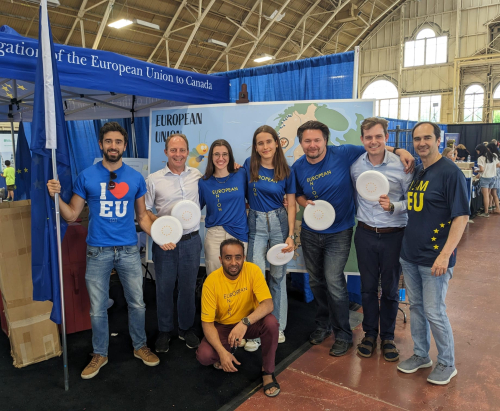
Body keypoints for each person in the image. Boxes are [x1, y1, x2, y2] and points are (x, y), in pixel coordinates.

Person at [292, 120, 414, 357]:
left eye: (317, 140)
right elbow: (297, 194)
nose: (313, 145)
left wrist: (400, 150)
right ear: (301, 143)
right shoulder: (298, 167)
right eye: (307, 140)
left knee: (334, 282)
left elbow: (376, 146)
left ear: (326, 140)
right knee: (317, 282)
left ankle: (344, 334)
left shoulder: (345, 153)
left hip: (340, 232)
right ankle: (323, 325)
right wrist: (304, 203)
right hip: (310, 231)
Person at [46, 122, 159, 379]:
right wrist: (57, 196)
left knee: (138, 304)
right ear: (101, 144)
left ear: (124, 146)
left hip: (129, 250)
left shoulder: (134, 177)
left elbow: (142, 218)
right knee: (97, 308)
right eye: (108, 141)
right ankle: (100, 353)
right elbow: (72, 214)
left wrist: (161, 237)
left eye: (118, 142)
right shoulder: (86, 175)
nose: (113, 146)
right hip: (97, 251)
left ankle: (140, 346)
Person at [397, 121, 469, 385]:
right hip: (410, 254)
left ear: (439, 140)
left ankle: (447, 363)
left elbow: (461, 217)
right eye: (417, 139)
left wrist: (445, 254)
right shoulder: (418, 171)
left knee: (434, 311)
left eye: (427, 137)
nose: (421, 143)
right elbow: (415, 207)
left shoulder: (450, 173)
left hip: (435, 259)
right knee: (416, 307)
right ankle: (420, 355)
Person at [350, 117, 413, 362]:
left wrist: (394, 206)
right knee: (367, 289)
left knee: (389, 289)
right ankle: (368, 335)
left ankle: (387, 337)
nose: (373, 141)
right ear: (362, 139)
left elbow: (414, 203)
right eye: (368, 137)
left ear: (387, 137)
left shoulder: (403, 166)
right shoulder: (356, 166)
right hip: (365, 233)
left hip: (394, 235)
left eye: (378, 136)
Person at [196, 238, 280, 397]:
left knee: (271, 322)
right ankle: (227, 351)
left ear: (244, 258)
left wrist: (244, 323)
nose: (233, 262)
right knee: (205, 356)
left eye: (238, 257)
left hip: (249, 322)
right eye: (228, 258)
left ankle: (267, 372)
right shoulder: (211, 282)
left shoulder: (253, 270)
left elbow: (268, 304)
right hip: (224, 326)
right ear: (220, 259)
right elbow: (207, 324)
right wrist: (221, 352)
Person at [146, 133, 203, 353]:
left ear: (188, 151)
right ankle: (164, 331)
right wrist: (159, 229)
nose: (177, 154)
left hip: (191, 241)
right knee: (164, 288)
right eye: (173, 150)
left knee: (188, 288)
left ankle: (186, 328)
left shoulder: (197, 175)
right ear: (166, 152)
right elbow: (146, 210)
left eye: (181, 150)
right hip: (165, 243)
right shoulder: (154, 179)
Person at [243, 125, 296, 350]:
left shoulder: (286, 170)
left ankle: (278, 327)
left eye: (268, 142)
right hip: (255, 224)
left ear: (277, 143)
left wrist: (291, 235)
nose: (265, 147)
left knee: (278, 276)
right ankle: (254, 331)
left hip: (279, 224)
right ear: (256, 147)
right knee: (255, 278)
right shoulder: (248, 165)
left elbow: (291, 203)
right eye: (260, 143)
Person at [199, 139, 248, 276]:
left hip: (239, 233)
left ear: (230, 156)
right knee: (215, 277)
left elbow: (253, 197)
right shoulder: (204, 183)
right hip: (215, 234)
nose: (221, 158)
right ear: (211, 157)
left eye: (225, 154)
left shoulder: (241, 174)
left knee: (239, 278)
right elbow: (195, 208)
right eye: (216, 154)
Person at [475, 144, 499, 218]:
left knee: (485, 196)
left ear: (480, 150)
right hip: (493, 177)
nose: (477, 153)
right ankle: (488, 209)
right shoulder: (494, 156)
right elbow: (498, 164)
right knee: (488, 195)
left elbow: (482, 169)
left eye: (477, 151)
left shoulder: (481, 158)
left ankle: (486, 212)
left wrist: (476, 170)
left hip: (485, 178)